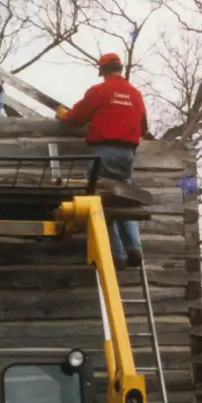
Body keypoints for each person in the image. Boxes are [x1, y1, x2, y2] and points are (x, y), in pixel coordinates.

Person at [56, 53, 150, 269]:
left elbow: (76, 118)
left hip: (104, 151)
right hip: (127, 153)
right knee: (124, 198)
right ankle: (134, 248)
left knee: (102, 201)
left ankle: (116, 254)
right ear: (120, 69)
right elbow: (144, 127)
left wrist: (63, 115)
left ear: (103, 71)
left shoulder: (99, 91)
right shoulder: (135, 94)